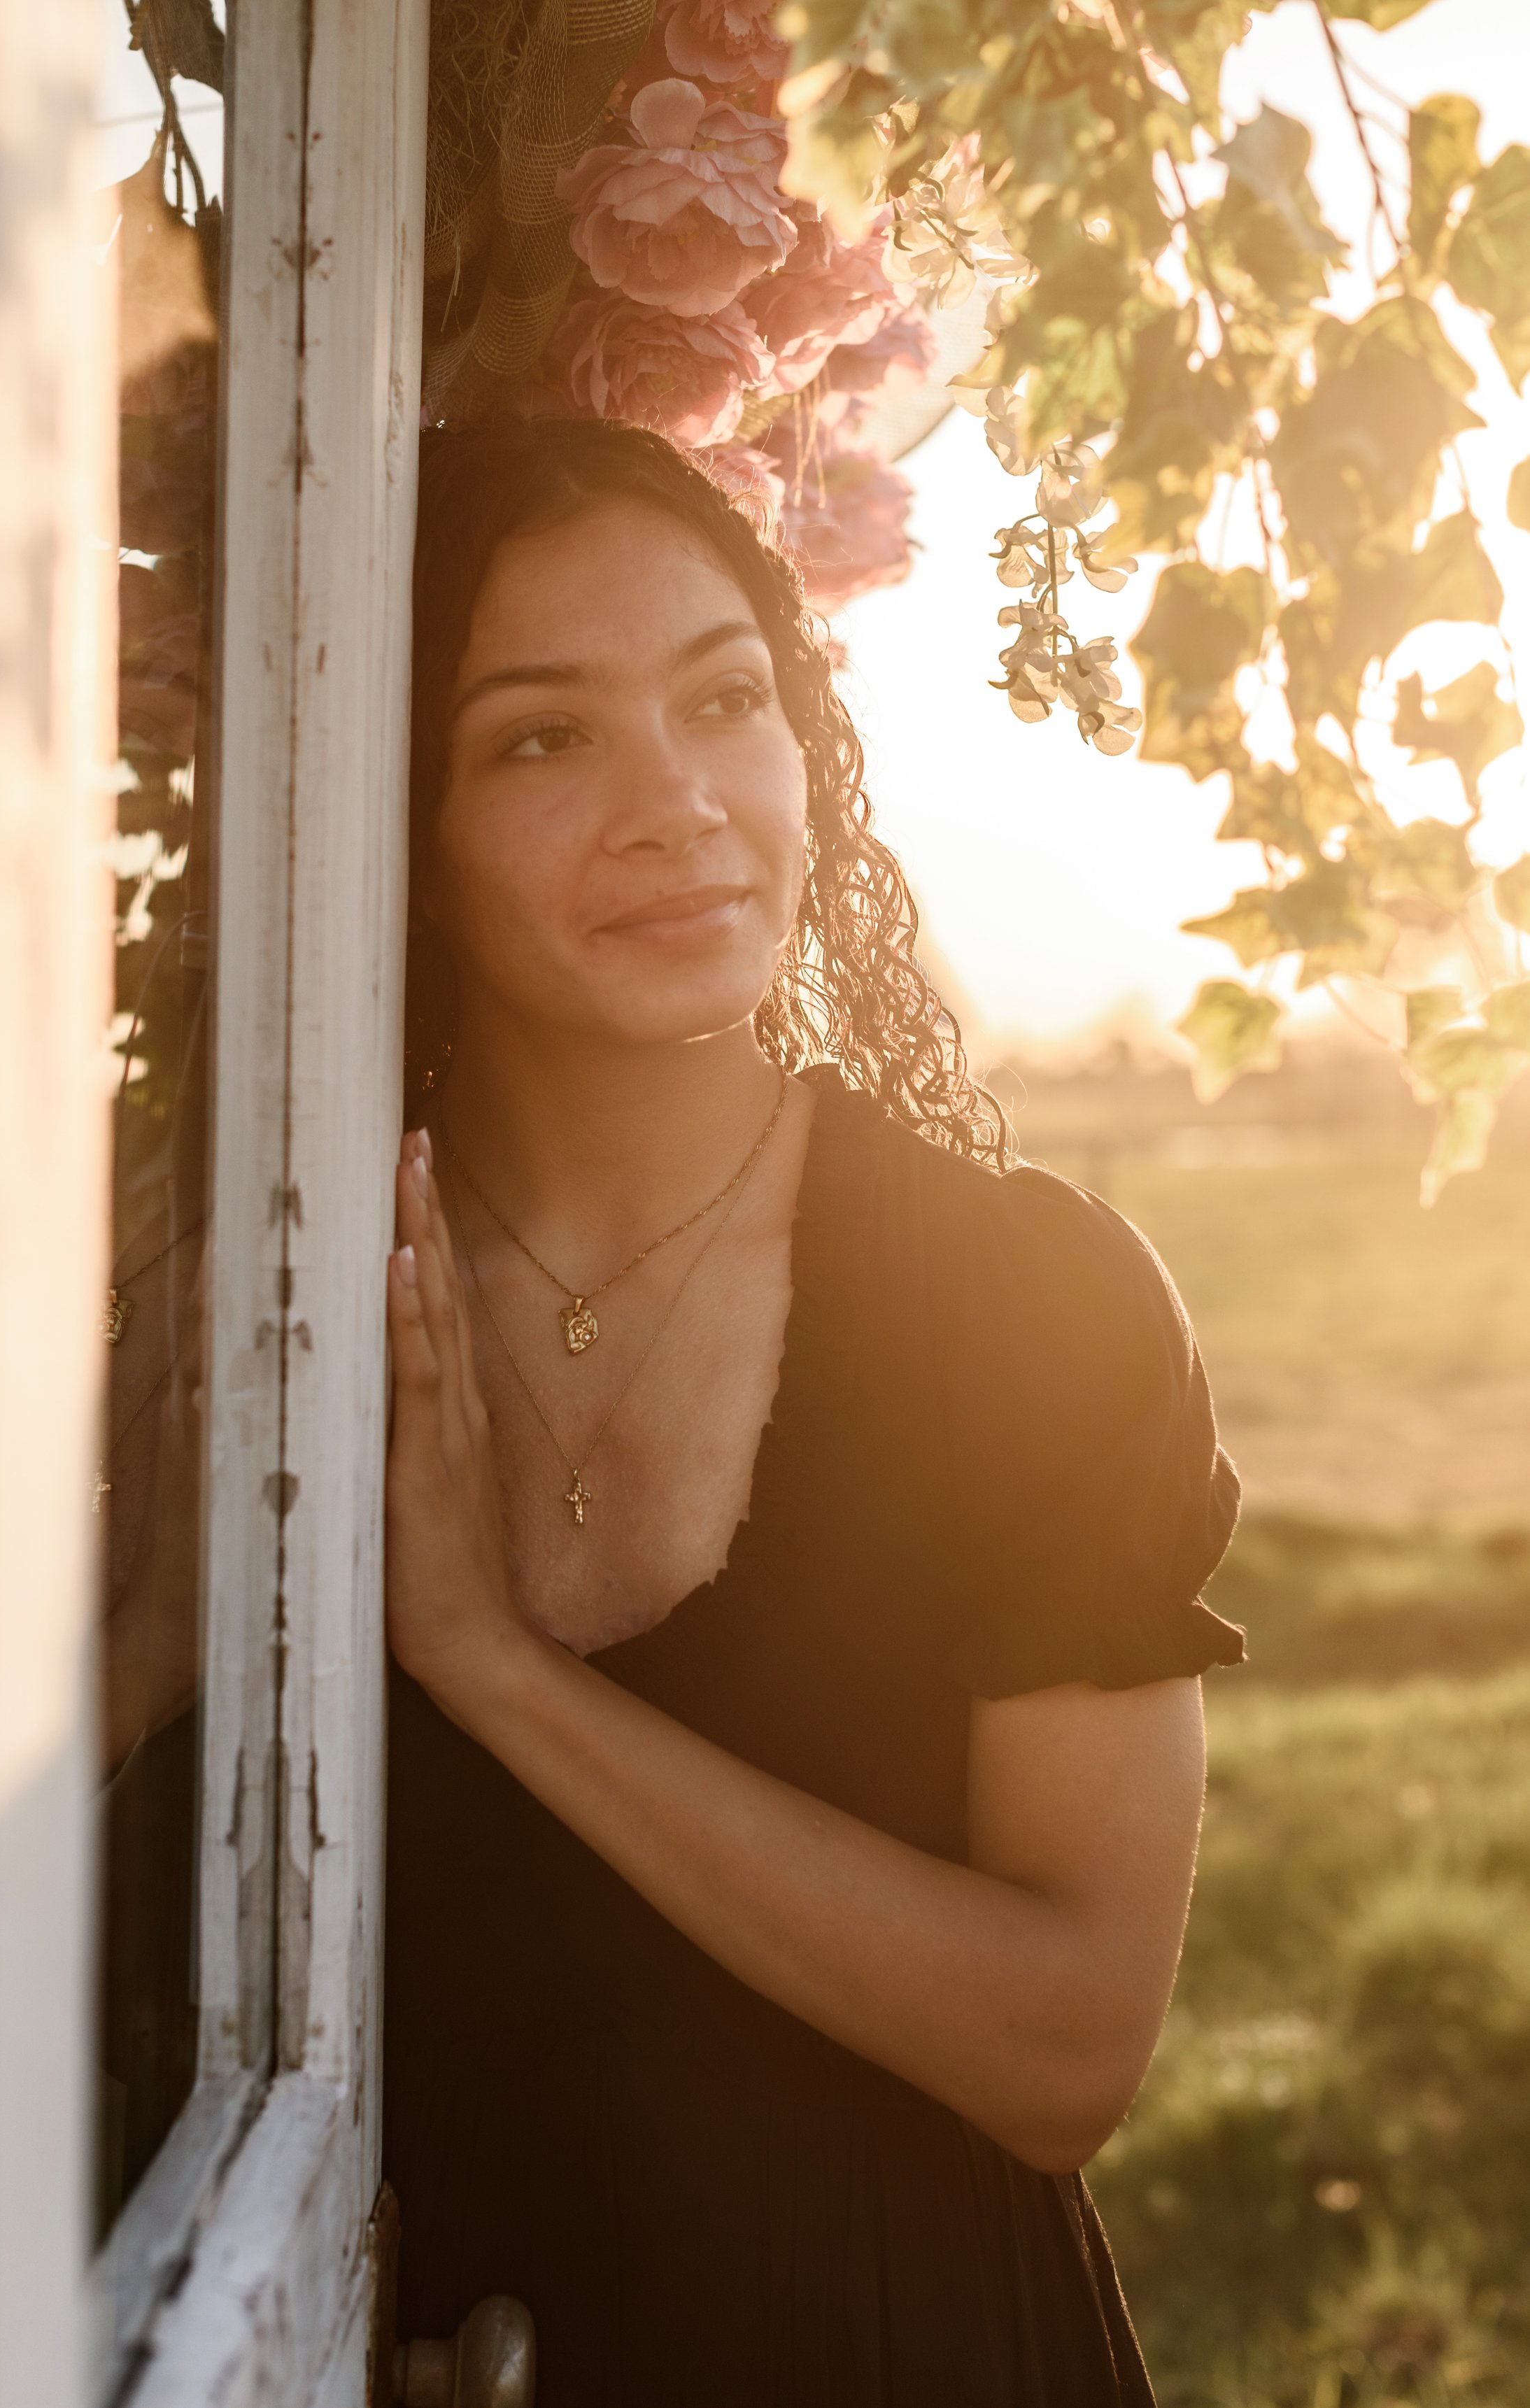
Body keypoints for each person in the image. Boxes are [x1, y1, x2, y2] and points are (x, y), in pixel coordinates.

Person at [383, 417, 1242, 2406]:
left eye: (723, 701)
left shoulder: (1024, 1301)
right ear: (389, 819)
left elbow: (1063, 2054)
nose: (674, 803)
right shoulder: (279, 1287)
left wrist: (488, 1667)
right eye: (540, 738)